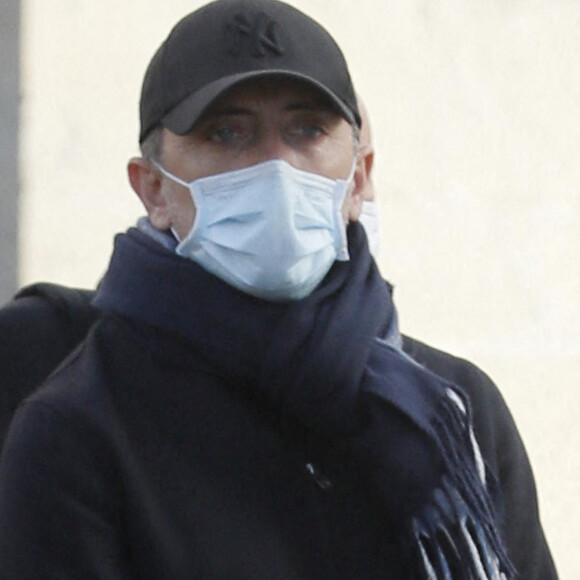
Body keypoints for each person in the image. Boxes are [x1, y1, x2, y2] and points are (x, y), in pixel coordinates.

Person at [0, 1, 557, 578]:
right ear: (154, 191)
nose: (276, 165)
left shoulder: (455, 413)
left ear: (359, 175)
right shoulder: (78, 432)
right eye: (227, 133)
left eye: (307, 128)